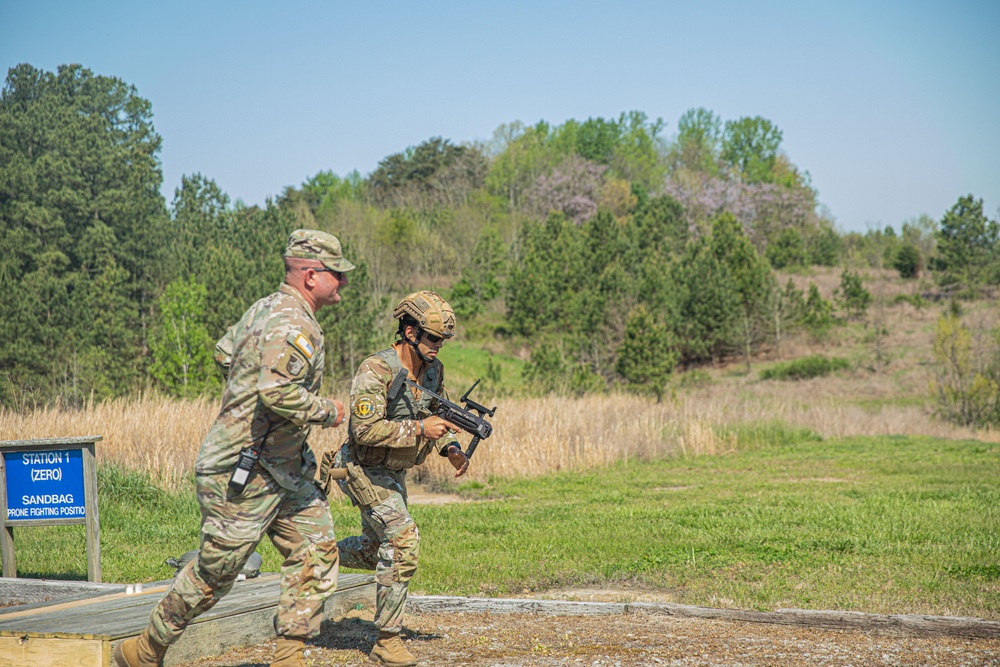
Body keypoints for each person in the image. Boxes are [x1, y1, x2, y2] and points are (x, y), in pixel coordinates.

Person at [114, 230, 355, 667]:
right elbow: (276, 392)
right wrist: (329, 411)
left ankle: (289, 657)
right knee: (216, 574)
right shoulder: (293, 322)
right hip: (243, 470)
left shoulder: (263, 309)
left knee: (315, 551)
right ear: (312, 275)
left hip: (286, 468)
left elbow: (224, 352)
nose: (343, 282)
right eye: (338, 274)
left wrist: (246, 392)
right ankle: (145, 651)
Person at [324, 290, 469, 667]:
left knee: (376, 552)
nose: (439, 346)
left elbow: (441, 411)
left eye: (443, 340)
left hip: (392, 472)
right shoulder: (376, 370)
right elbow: (363, 432)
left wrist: (451, 448)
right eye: (433, 338)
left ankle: (314, 556)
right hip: (361, 467)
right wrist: (421, 429)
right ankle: (387, 641)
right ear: (409, 332)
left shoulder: (433, 371)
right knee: (403, 539)